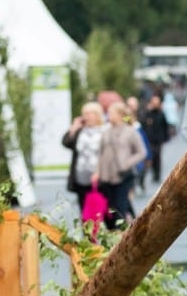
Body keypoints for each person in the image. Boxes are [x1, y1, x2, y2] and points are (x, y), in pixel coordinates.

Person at [96, 100, 148, 229]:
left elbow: (142, 152)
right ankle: (118, 230)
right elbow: (100, 153)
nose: (108, 116)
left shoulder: (130, 132)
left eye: (111, 113)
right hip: (107, 177)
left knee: (120, 207)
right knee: (108, 209)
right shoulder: (106, 132)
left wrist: (127, 163)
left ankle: (121, 234)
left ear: (120, 115)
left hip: (123, 176)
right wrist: (98, 172)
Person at [62, 102, 108, 213]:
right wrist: (73, 128)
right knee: (86, 213)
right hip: (81, 177)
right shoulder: (80, 131)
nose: (86, 116)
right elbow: (66, 143)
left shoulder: (105, 130)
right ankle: (89, 230)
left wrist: (99, 171)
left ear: (97, 115)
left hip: (100, 177)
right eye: (84, 114)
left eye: (89, 113)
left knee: (105, 211)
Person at [141, 91, 170, 185]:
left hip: (158, 139)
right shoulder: (147, 114)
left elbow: (165, 126)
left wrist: (165, 137)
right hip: (149, 139)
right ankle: (153, 173)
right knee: (151, 157)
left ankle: (157, 174)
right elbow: (143, 123)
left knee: (157, 156)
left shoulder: (161, 114)